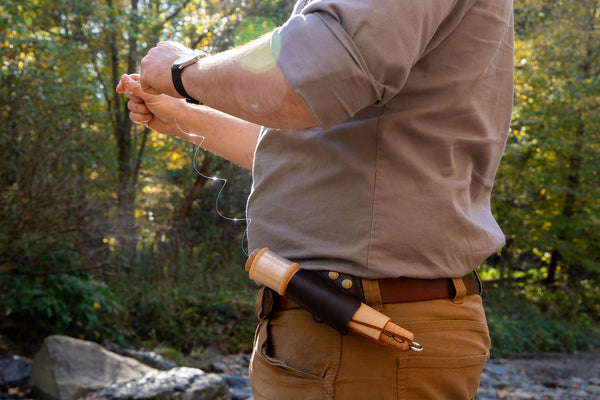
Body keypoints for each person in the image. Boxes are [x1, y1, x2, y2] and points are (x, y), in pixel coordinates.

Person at [117, 0, 514, 398]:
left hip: (362, 335)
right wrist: (181, 116)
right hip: (344, 329)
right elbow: (306, 154)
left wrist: (182, 69)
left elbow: (302, 83)